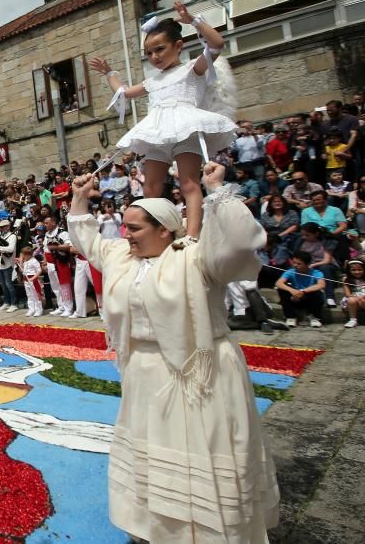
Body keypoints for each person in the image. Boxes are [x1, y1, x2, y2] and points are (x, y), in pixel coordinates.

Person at [67, 163, 279, 543]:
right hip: (144, 375)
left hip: (200, 374)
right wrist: (80, 197)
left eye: (135, 228)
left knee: (201, 450)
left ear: (165, 229)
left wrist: (217, 191)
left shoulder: (195, 257)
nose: (126, 234)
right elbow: (89, 241)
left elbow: (241, 243)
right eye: (125, 227)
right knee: (152, 454)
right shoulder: (121, 257)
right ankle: (155, 528)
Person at [90, 2, 236, 246]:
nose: (154, 57)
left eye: (159, 49)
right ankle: (156, 234)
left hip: (184, 126)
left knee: (189, 182)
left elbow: (217, 44)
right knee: (151, 187)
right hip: (157, 131)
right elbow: (124, 93)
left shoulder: (192, 69)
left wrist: (193, 20)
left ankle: (192, 234)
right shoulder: (152, 81)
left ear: (178, 46)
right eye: (149, 53)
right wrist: (109, 73)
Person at [275, 251, 326, 328]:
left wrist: (303, 291)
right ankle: (291, 317)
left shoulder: (316, 273)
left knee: (317, 293)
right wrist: (292, 291)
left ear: (307, 264)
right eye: (294, 263)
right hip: (294, 297)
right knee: (282, 290)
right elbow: (279, 283)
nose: (295, 265)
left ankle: (315, 317)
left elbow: (321, 285)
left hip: (309, 298)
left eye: (299, 264)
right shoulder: (291, 272)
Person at [341, 259, 365, 328]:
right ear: (349, 270)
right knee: (351, 300)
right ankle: (353, 320)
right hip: (354, 299)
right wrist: (357, 298)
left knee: (364, 301)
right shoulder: (347, 280)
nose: (357, 272)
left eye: (360, 269)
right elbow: (347, 294)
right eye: (353, 270)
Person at [19, 246, 43, 317]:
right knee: (29, 295)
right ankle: (31, 309)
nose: (22, 256)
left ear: (28, 255)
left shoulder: (34, 261)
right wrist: (20, 261)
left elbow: (39, 270)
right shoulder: (25, 261)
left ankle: (38, 310)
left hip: (33, 280)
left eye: (23, 255)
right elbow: (21, 270)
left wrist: (33, 278)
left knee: (36, 295)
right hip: (26, 280)